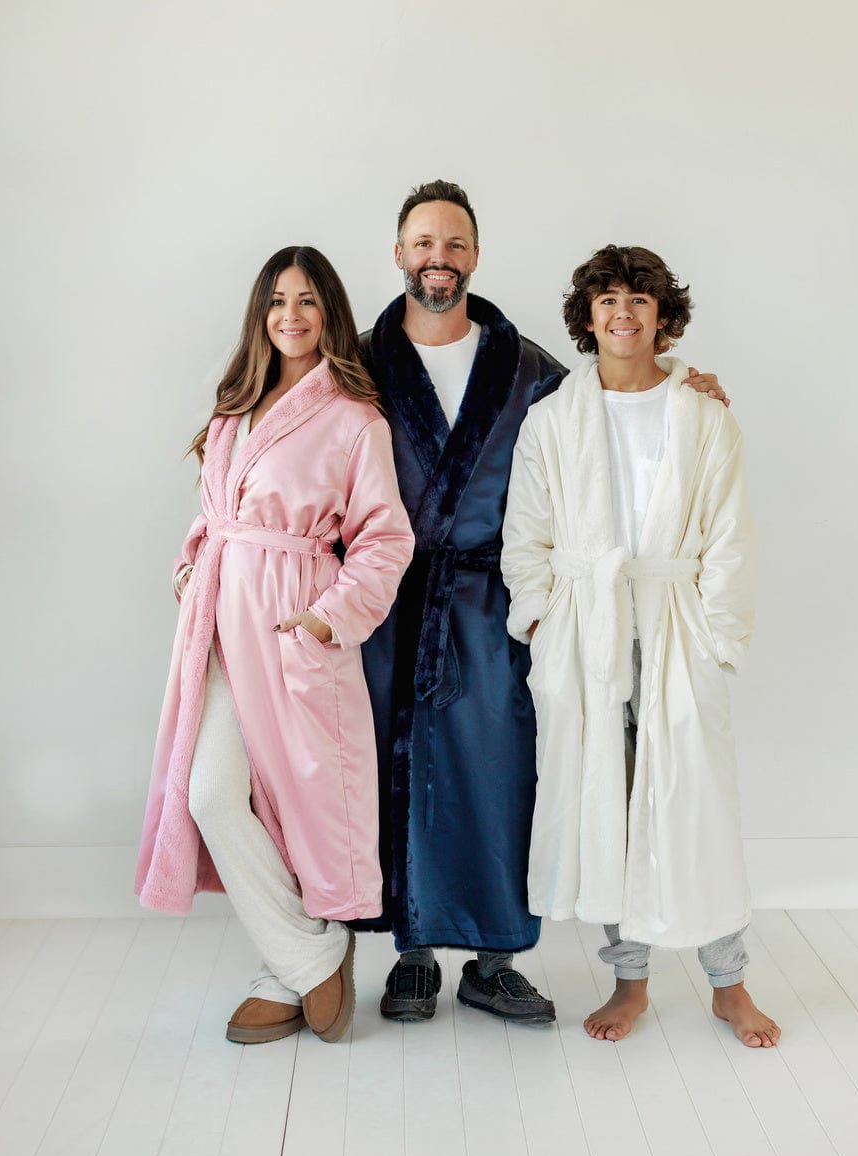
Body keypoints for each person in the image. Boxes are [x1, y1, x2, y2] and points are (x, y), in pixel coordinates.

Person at [358, 183, 730, 1025]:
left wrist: (686, 384)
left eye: (455, 243)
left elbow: (612, 405)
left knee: (504, 773)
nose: (439, 258)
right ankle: (412, 953)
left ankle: (496, 960)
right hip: (394, 602)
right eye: (424, 243)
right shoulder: (360, 361)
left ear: (475, 255)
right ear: (399, 254)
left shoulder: (526, 368)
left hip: (497, 602)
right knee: (402, 772)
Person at [501, 245, 781, 1047]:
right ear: (588, 318)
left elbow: (729, 537)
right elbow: (526, 535)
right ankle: (630, 982)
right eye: (608, 300)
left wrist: (718, 638)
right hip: (585, 632)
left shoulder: (703, 416)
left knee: (698, 806)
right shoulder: (552, 420)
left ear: (663, 316)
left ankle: (729, 983)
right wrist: (542, 622)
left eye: (638, 299)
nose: (623, 312)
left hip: (674, 629)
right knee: (608, 808)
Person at [135, 247, 414, 1045]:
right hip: (219, 632)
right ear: (260, 314)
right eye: (278, 301)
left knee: (291, 802)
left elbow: (385, 539)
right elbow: (214, 516)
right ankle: (310, 956)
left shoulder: (355, 420)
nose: (291, 315)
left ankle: (283, 968)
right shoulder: (234, 412)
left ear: (330, 314)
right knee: (213, 794)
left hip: (293, 627)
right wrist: (189, 565)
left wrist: (327, 618)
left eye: (308, 301)